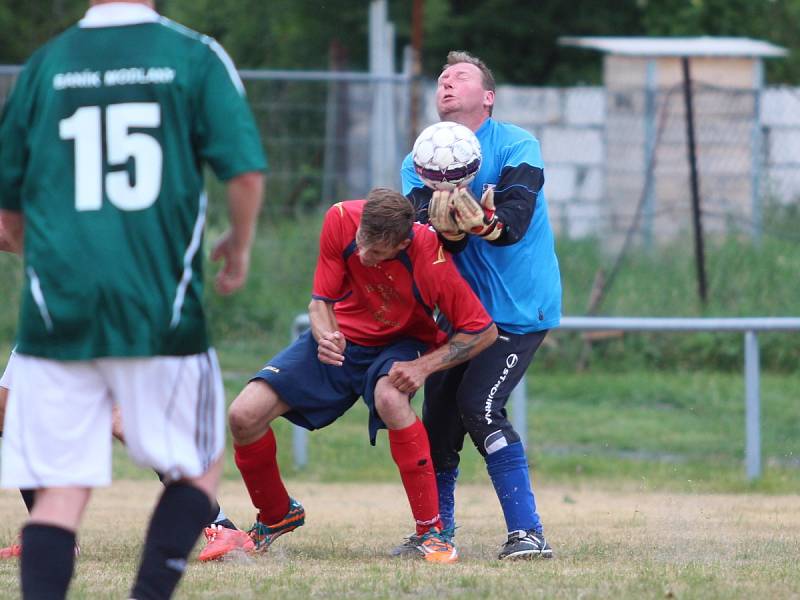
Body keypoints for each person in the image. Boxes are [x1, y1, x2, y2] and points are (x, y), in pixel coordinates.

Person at [0, 1, 266, 598]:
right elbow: (245, 173)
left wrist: (43, 255)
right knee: (196, 469)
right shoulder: (193, 56)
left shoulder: (44, 67)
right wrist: (239, 246)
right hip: (158, 309)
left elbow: (9, 218)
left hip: (58, 314)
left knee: (61, 489)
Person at [200, 188, 497, 564]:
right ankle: (277, 515)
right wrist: (325, 334)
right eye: (361, 243)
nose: (363, 255)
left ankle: (432, 532)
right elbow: (320, 302)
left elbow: (482, 330)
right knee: (243, 415)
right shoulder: (340, 219)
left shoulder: (430, 258)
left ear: (403, 243)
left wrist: (423, 367)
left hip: (400, 342)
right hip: (345, 333)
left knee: (391, 398)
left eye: (376, 252)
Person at [399, 50, 562, 560]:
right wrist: (446, 226)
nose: (446, 82)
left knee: (481, 406)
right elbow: (429, 235)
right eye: (442, 77)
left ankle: (528, 533)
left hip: (519, 309)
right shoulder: (419, 160)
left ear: (487, 97)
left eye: (460, 76)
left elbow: (512, 221)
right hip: (462, 317)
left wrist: (485, 223)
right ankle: (437, 533)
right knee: (439, 422)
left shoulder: (517, 143)